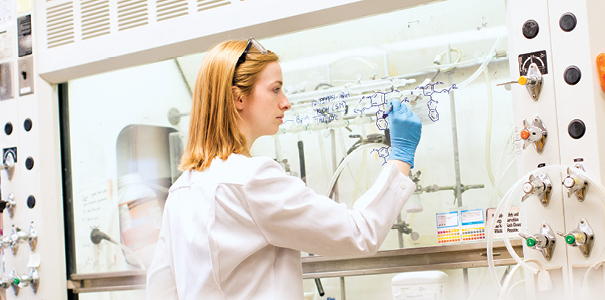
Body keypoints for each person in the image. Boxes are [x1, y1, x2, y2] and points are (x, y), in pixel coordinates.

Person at [146, 38, 422, 299]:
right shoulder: (251, 179)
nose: (285, 102)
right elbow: (360, 233)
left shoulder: (181, 188)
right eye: (275, 89)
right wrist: (400, 159)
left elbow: (161, 289)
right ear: (238, 98)